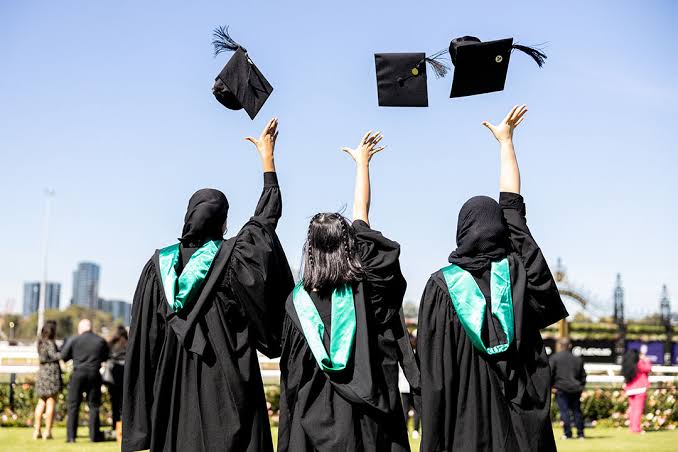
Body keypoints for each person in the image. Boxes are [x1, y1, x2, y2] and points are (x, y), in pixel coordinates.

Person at [122, 118, 294, 452]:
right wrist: (268, 160)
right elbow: (265, 219)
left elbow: (144, 342)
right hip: (228, 385)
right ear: (223, 222)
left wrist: (141, 421)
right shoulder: (234, 257)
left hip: (173, 388)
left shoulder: (158, 269)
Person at [418, 105, 569, 452]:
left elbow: (435, 374)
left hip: (465, 426)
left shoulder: (441, 288)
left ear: (462, 231)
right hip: (519, 426)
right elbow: (514, 214)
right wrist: (507, 143)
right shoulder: (517, 273)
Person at [277, 131, 419, 452]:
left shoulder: (297, 305)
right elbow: (362, 222)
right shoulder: (365, 290)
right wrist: (362, 165)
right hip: (369, 423)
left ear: (309, 250)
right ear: (349, 247)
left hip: (313, 424)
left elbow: (293, 375)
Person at [60, 318, 110, 443]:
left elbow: (64, 356)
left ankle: (71, 437)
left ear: (80, 328)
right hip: (94, 373)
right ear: (91, 328)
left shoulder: (74, 339)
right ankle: (94, 436)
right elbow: (106, 356)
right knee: (94, 405)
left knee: (73, 405)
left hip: (78, 373)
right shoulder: (100, 340)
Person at [549, 338, 586, 439]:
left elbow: (550, 374)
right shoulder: (577, 359)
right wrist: (581, 386)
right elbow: (583, 376)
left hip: (561, 389)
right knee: (577, 411)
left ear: (560, 345)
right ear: (570, 346)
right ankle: (580, 433)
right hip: (576, 389)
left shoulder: (555, 358)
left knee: (564, 412)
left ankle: (567, 433)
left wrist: (551, 387)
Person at [33, 320, 62, 440]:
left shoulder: (40, 343)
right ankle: (47, 431)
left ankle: (37, 430)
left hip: (42, 374)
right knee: (51, 402)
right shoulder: (50, 343)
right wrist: (62, 352)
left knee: (41, 402)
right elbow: (55, 356)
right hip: (51, 375)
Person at [622, 348, 652, 433]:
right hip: (640, 389)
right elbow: (648, 368)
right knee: (638, 410)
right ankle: (636, 428)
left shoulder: (627, 364)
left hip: (630, 389)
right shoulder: (639, 363)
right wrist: (646, 360)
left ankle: (632, 427)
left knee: (633, 409)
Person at [106, 325, 127, 436]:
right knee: (125, 404)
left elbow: (105, 356)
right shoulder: (128, 342)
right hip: (125, 377)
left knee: (114, 404)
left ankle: (115, 425)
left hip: (113, 377)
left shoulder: (111, 344)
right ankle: (125, 426)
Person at [399, 329, 420, 439]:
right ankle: (406, 429)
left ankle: (415, 429)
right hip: (404, 386)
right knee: (406, 409)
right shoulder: (403, 354)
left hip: (413, 386)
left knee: (415, 408)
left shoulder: (416, 354)